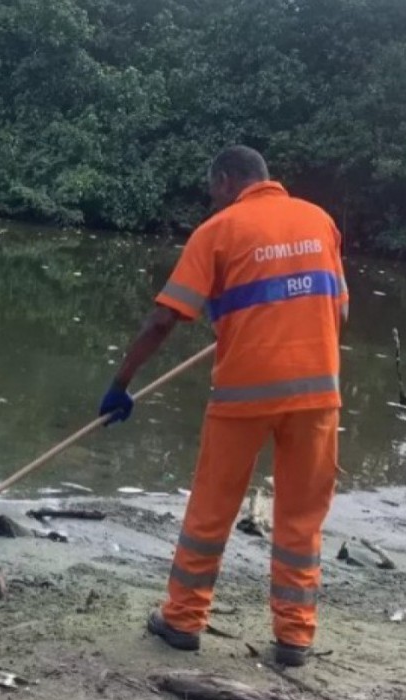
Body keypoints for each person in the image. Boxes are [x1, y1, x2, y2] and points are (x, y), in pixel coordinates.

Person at [98, 145, 347, 667]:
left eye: (213, 188)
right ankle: (295, 637)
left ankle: (183, 621)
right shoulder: (320, 220)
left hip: (244, 396)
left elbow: (164, 320)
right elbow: (337, 307)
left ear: (229, 180)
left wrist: (121, 383)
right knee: (301, 520)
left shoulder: (219, 230)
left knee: (211, 510)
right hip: (317, 396)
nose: (211, 200)